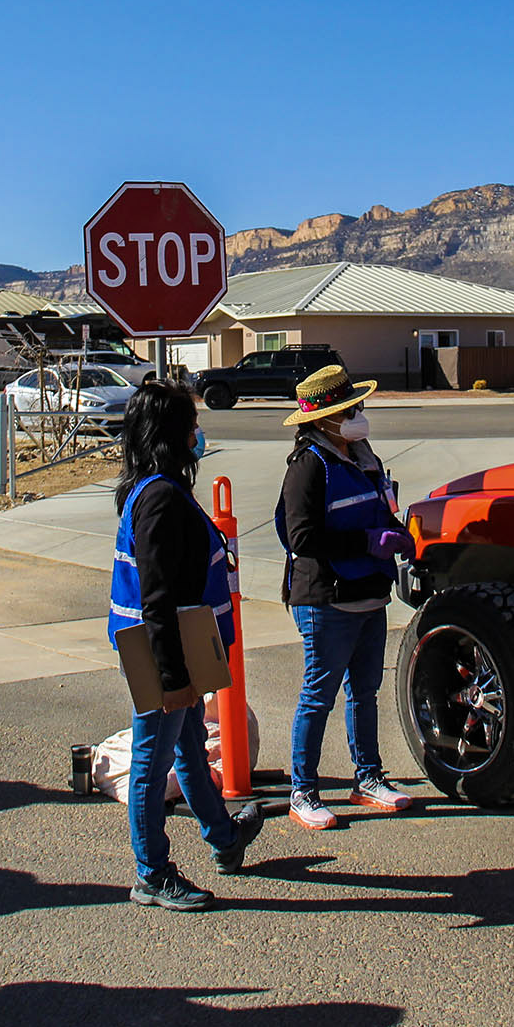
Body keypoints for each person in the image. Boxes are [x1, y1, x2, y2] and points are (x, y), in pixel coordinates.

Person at [108, 380, 263, 912]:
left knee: (191, 746)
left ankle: (224, 836)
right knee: (152, 763)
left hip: (180, 648)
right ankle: (151, 872)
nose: (199, 434)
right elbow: (157, 598)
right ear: (172, 435)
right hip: (163, 654)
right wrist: (173, 681)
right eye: (191, 425)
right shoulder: (160, 500)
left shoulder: (156, 489)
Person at [274, 365, 416, 831]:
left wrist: (397, 536)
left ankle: (368, 777)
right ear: (324, 418)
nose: (358, 415)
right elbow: (302, 537)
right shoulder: (308, 466)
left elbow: (382, 507)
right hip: (326, 600)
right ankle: (303, 791)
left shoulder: (364, 456)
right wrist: (366, 545)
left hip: (369, 595)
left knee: (364, 693)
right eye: (349, 409)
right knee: (318, 695)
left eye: (357, 407)